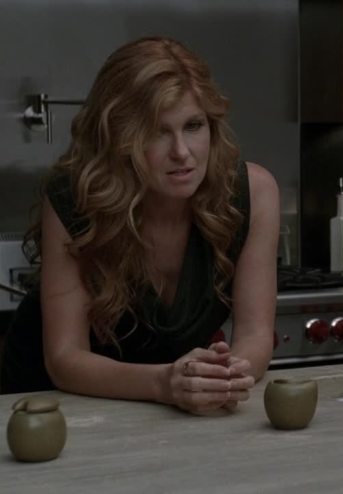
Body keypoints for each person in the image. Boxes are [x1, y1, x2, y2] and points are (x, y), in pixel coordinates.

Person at [0, 37, 279, 415]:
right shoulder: (75, 199)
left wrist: (224, 377)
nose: (182, 152)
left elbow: (256, 334)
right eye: (157, 131)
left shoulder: (253, 193)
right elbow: (65, 358)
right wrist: (164, 384)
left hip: (168, 405)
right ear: (120, 136)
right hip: (51, 403)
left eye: (193, 125)